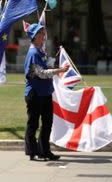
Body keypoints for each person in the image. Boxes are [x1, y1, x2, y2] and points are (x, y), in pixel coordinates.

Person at [24, 23, 68, 161]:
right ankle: (32, 152)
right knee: (33, 124)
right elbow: (40, 73)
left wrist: (54, 63)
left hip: (45, 92)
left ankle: (44, 151)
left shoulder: (40, 51)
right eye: (41, 33)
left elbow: (45, 66)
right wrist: (59, 70)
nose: (44, 35)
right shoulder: (33, 53)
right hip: (35, 93)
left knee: (47, 122)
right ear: (35, 36)